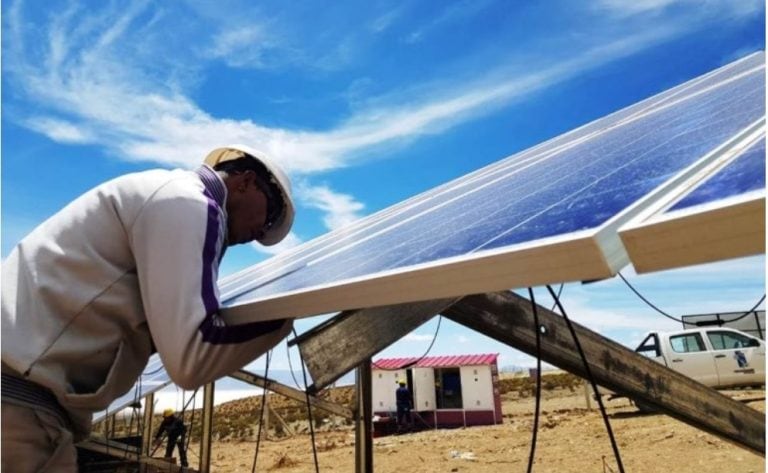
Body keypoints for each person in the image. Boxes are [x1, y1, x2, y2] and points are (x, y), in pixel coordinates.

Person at [1, 145, 296, 471]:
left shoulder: (163, 195)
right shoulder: (191, 203)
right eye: (269, 216)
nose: (262, 233)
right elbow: (192, 361)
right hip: (17, 410)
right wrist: (285, 314)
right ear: (247, 182)